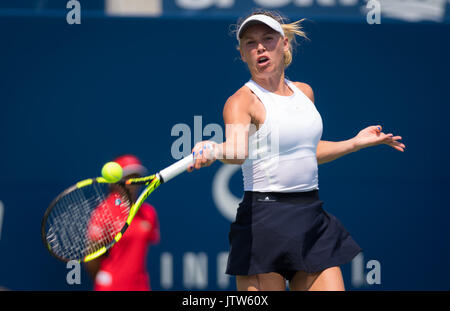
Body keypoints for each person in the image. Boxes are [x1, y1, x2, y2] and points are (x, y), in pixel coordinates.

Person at [189, 10, 405, 291]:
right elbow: (238, 150)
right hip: (262, 223)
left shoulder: (305, 92)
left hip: (310, 217)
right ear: (242, 54)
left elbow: (307, 151)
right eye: (250, 43)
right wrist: (215, 149)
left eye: (268, 39)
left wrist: (354, 142)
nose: (260, 48)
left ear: (285, 44)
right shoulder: (241, 101)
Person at [85, 154, 160, 291]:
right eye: (128, 177)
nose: (133, 182)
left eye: (137, 177)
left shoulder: (148, 213)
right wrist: (106, 279)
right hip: (111, 286)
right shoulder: (105, 210)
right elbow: (92, 256)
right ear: (115, 181)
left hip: (140, 286)